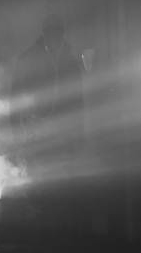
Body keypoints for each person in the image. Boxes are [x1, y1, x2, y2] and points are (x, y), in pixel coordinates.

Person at [9, 14, 84, 169]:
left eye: (58, 32)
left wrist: (78, 132)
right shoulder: (28, 59)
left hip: (63, 136)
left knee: (63, 175)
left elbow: (78, 99)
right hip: (36, 134)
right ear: (44, 34)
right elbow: (16, 94)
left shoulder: (71, 63)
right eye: (51, 32)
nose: (55, 36)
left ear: (62, 33)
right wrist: (17, 129)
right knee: (38, 174)